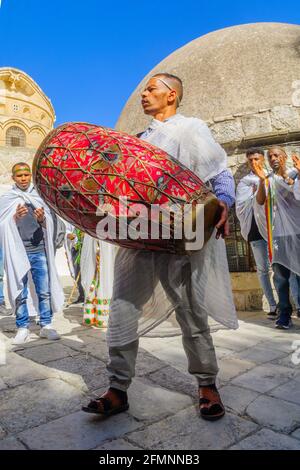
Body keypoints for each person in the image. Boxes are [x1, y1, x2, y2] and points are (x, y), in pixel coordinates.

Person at [82, 73, 238, 421]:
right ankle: (117, 388)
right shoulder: (138, 140)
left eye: (151, 89)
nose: (144, 94)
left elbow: (219, 170)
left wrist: (224, 199)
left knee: (190, 311)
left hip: (178, 234)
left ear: (172, 95)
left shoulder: (190, 129)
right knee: (122, 308)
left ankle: (207, 383)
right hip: (139, 233)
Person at [0, 162, 64, 344]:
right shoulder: (7, 199)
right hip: (17, 251)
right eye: (19, 176)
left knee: (44, 290)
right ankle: (22, 327)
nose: (23, 178)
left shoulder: (40, 196)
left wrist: (42, 218)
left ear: (31, 176)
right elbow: (1, 225)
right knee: (21, 292)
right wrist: (14, 218)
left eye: (26, 175)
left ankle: (46, 325)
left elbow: (50, 223)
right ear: (13, 178)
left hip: (39, 250)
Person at [253, 147, 300, 329]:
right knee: (281, 277)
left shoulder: (295, 174)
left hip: (297, 232)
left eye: (276, 155)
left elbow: (295, 193)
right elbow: (259, 201)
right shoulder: (268, 180)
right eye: (270, 156)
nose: (273, 158)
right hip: (279, 234)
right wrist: (261, 180)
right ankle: (285, 314)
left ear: (285, 157)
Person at [236, 148, 277, 316]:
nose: (254, 163)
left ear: (263, 160)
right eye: (250, 160)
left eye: (257, 159)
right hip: (254, 230)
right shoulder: (244, 182)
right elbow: (240, 205)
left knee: (282, 267)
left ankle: (292, 302)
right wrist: (254, 197)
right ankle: (273, 305)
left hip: (274, 229)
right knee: (262, 269)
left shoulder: (273, 177)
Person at [80, 235, 115, 328]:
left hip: (107, 242)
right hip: (92, 238)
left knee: (106, 277)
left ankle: (103, 317)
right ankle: (90, 316)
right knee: (91, 277)